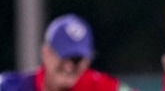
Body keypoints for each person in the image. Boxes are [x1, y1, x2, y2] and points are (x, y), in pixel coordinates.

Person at [0, 13, 135, 91]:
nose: (69, 66)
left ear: (87, 61)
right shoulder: (10, 86)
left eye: (76, 59)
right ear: (46, 54)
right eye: (64, 57)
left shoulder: (99, 86)